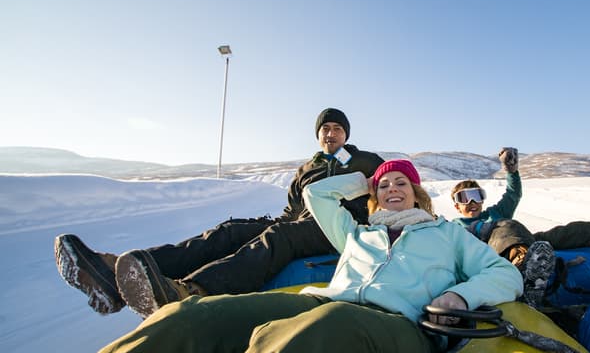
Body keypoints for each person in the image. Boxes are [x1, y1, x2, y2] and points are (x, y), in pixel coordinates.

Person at [6, 159, 522, 353]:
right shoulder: (358, 233)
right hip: (329, 302)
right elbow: (319, 197)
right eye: (385, 185)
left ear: (420, 194)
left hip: (397, 327)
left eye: (402, 185)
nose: (392, 190)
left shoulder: (447, 234)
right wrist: (364, 175)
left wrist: (457, 295)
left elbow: (503, 274)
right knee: (190, 321)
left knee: (311, 339)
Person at [54, 107, 384, 318]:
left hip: (339, 229)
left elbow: (397, 186)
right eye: (324, 128)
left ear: (346, 135)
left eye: (336, 129)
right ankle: (115, 274)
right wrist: (255, 226)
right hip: (302, 226)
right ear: (317, 135)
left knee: (281, 237)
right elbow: (291, 211)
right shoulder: (306, 168)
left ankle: (191, 290)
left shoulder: (365, 160)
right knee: (231, 230)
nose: (330, 133)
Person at [451, 147, 590, 306]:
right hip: (495, 251)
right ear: (457, 206)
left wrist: (512, 172)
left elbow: (513, 194)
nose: (472, 202)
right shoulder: (454, 227)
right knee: (506, 225)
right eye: (465, 198)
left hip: (522, 240)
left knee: (576, 229)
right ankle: (523, 272)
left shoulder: (496, 212)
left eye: (476, 196)